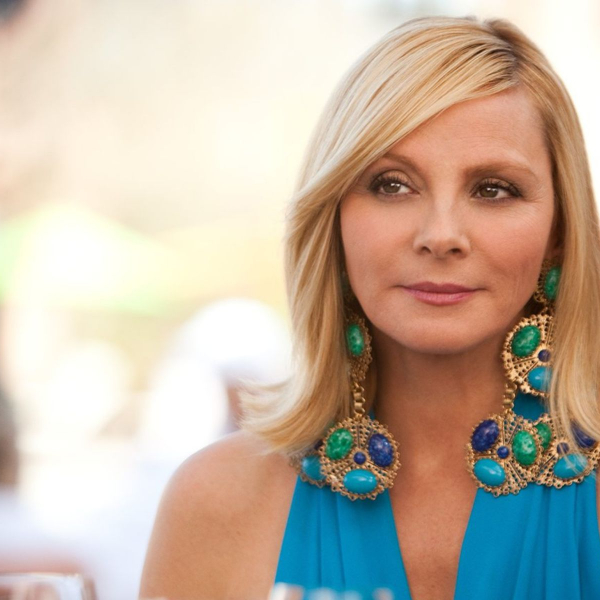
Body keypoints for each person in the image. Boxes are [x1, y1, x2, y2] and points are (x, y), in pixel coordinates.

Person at [139, 15, 600, 600]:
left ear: (559, 231)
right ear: (332, 219)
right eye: (392, 184)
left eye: (493, 189)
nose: (440, 235)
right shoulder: (216, 504)